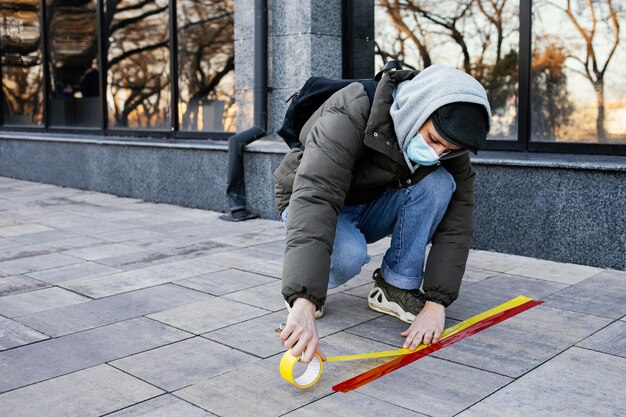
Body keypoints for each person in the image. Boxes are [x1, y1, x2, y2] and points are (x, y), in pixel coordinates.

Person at [274, 64, 491, 363]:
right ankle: (309, 289)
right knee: (348, 255)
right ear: (417, 109)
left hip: (369, 201)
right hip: (307, 198)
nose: (438, 153)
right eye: (433, 140)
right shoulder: (352, 111)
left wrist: (436, 304)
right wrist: (304, 300)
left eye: (448, 149)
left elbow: (458, 221)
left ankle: (395, 287)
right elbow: (317, 196)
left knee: (441, 183)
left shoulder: (448, 139)